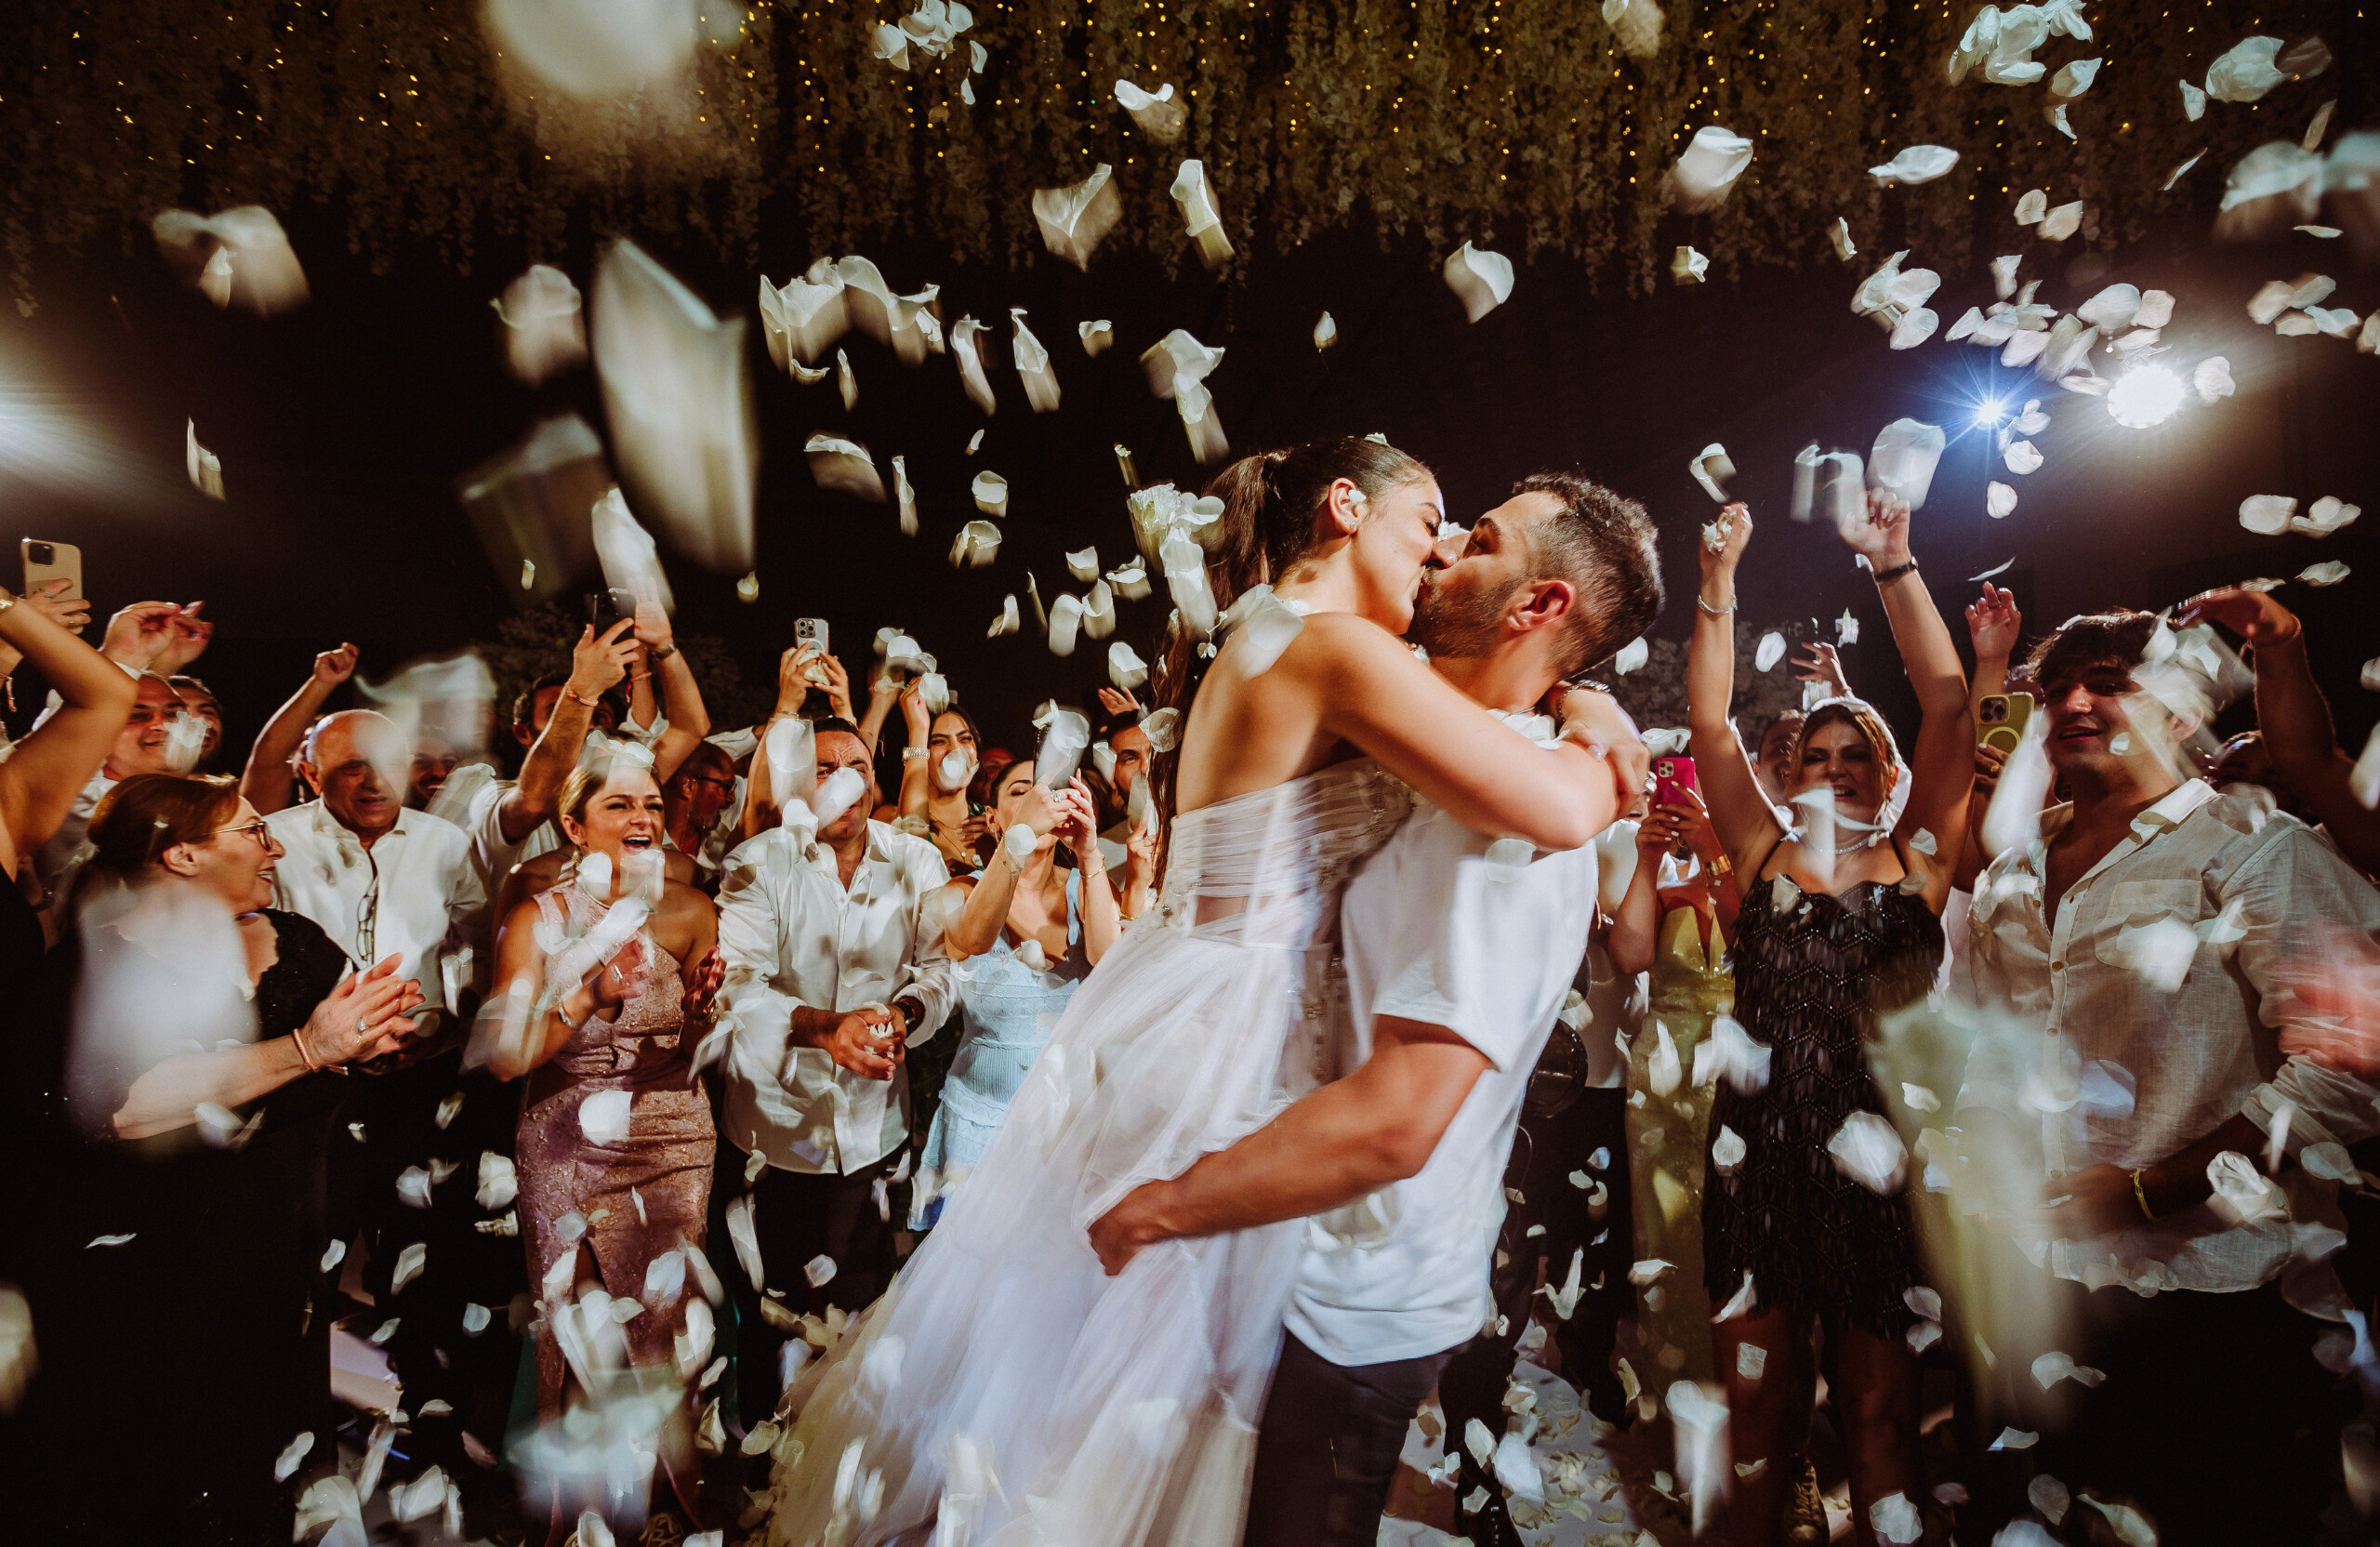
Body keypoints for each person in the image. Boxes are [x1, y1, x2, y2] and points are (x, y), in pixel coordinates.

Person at [757, 438, 1640, 1546]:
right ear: (1344, 504)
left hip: (1178, 995)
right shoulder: (1335, 653)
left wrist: (1576, 694)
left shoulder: (1287, 636)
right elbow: (1553, 811)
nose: (1439, 549)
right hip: (1234, 1025)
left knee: (1104, 1379)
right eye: (1431, 519)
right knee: (1151, 1393)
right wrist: (1605, 745)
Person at [1087, 469, 1661, 1547]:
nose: (1441, 549)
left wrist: (1161, 1207)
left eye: (1477, 540)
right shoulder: (1428, 746)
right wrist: (1589, 700)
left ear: (1538, 607)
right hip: (1284, 1249)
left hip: (1353, 1295)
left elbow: (1399, 1118)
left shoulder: (1511, 841)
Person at [1952, 607, 2380, 1543]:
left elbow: (2349, 1067)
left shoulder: (2257, 846)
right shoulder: (2008, 878)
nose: (2072, 699)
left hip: (2215, 1295)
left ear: (2183, 706)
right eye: (2056, 684)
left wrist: (2154, 1186)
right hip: (2042, 1280)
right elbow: (1997, 1044)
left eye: (2109, 679)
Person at [12, 773, 422, 1543]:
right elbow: (126, 1107)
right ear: (181, 856)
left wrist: (379, 1040)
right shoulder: (94, 969)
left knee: (273, 1475)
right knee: (165, 1484)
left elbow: (347, 1058)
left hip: (280, 1264)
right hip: (153, 1279)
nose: (275, 847)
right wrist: (307, 1048)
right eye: (253, 831)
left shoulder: (296, 943)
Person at [1688, 494, 1974, 1546]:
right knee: (1758, 1412)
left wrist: (1893, 565)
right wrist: (1718, 589)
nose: (1836, 767)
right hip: (1754, 1159)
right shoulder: (1756, 855)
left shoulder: (1920, 864)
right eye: (1818, 754)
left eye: (1856, 755)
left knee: (1875, 1410)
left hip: (1875, 1168)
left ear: (1886, 774)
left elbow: (1947, 706)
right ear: (1794, 771)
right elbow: (1709, 721)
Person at [482, 753, 723, 1530]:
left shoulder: (690, 911)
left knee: (662, 1332)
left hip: (675, 1135)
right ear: (572, 824)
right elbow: (507, 1058)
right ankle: (585, 1522)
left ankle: (654, 1512)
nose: (644, 819)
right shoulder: (536, 918)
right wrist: (588, 993)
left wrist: (705, 1013)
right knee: (589, 1340)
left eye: (651, 803)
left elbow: (692, 1041)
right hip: (568, 1141)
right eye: (619, 805)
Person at [714, 716, 957, 1421]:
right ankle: (761, 1472)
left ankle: (833, 1481)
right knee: (773, 1321)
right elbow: (740, 989)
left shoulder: (916, 862)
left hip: (875, 1133)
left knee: (860, 1323)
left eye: (856, 764)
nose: (844, 779)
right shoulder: (756, 863)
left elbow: (941, 972)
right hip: (774, 1136)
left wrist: (903, 1016)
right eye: (824, 767)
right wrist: (825, 1029)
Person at [911, 757, 1119, 1229]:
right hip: (982, 1129)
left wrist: (1088, 854)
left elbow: (1111, 964)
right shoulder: (961, 890)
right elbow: (971, 940)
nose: (1041, 801)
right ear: (993, 817)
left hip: (1069, 1127)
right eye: (1023, 793)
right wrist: (1019, 840)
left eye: (1052, 792)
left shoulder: (1086, 888)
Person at [1607, 785, 1736, 1384]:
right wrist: (1647, 859)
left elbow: (1760, 945)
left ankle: (1758, 1412)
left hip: (1743, 1071)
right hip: (1662, 1080)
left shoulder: (1762, 876)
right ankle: (1679, 1398)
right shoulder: (1664, 881)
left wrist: (1715, 848)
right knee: (1665, 1231)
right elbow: (1630, 955)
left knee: (1739, 1238)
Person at [265, 707, 484, 1025]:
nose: (376, 782)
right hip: (311, 1054)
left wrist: (445, 1025)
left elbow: (478, 946)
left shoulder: (445, 842)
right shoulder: (272, 843)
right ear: (313, 776)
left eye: (390, 764)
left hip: (421, 1048)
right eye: (354, 768)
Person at [2176, 585, 2380, 875]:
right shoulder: (2163, 841)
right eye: (2233, 774)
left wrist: (2279, 642)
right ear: (2208, 778)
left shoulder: (2331, 858)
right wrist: (2276, 640)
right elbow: (2307, 761)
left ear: (2309, 800)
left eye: (2272, 779)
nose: (2247, 790)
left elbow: (2307, 763)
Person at [34, 670, 192, 906]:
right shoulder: (89, 803)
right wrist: (130, 653)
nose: (162, 725)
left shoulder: (208, 802)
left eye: (174, 714)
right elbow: (73, 727)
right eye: (137, 716)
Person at [242, 641, 361, 814]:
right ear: (292, 760)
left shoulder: (374, 815)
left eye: (327, 743)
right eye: (308, 739)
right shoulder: (268, 814)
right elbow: (270, 751)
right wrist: (322, 682)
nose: (312, 746)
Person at [897, 694, 989, 874]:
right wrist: (918, 730)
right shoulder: (890, 818)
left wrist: (998, 849)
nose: (956, 750)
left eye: (965, 739)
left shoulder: (994, 822)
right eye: (939, 741)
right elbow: (912, 862)